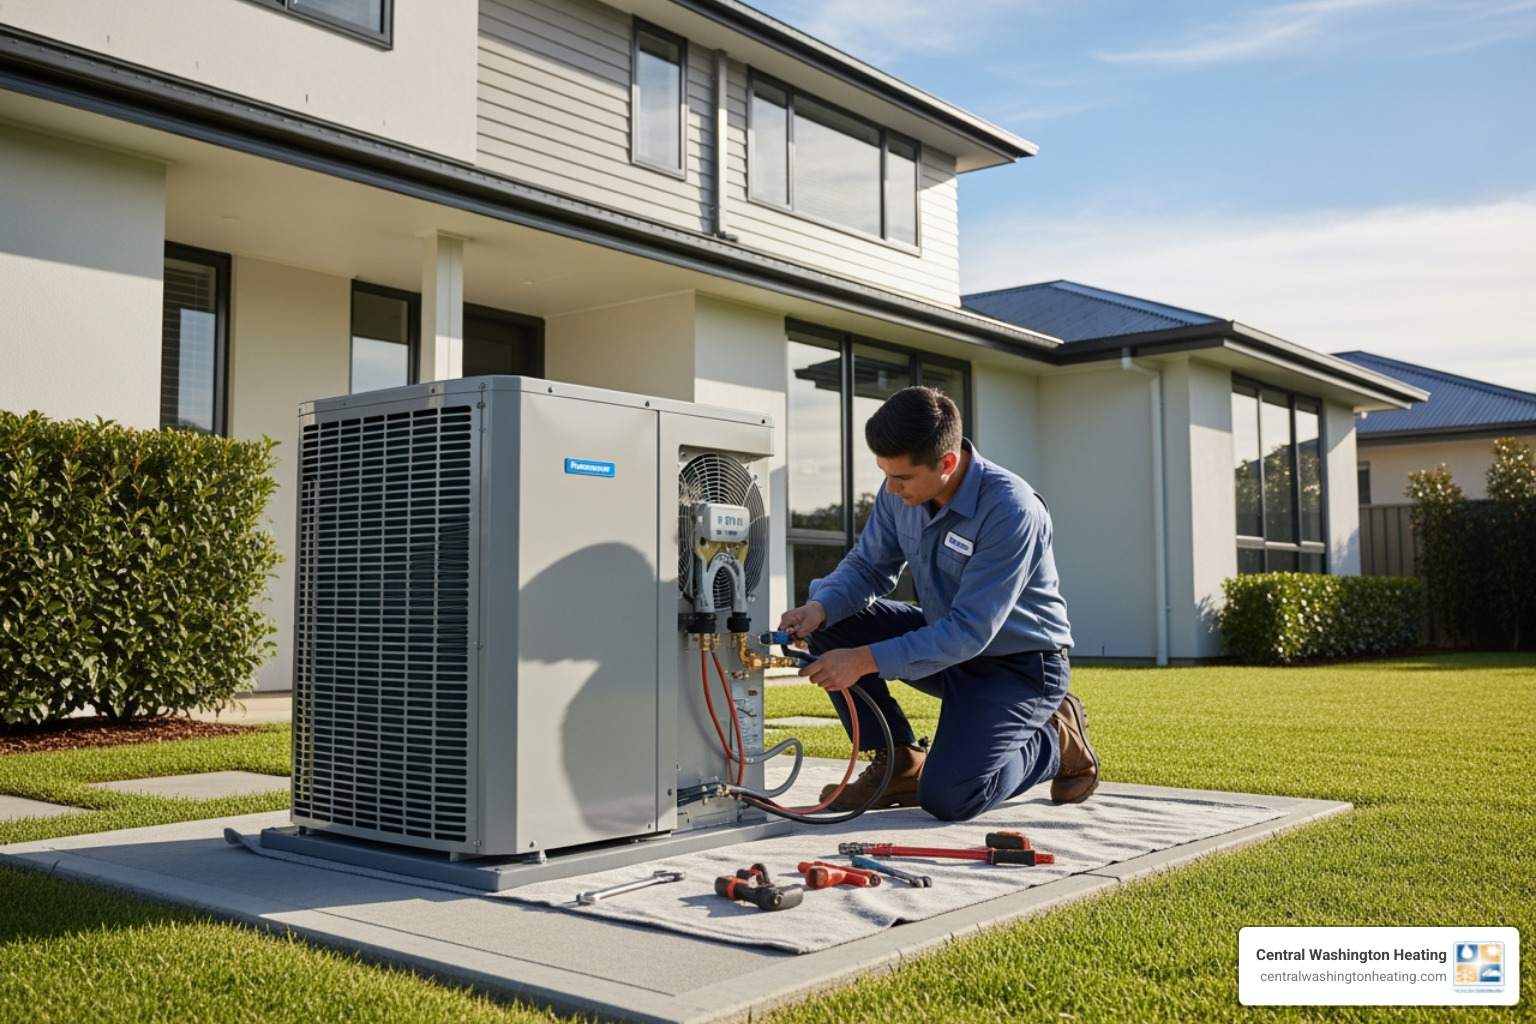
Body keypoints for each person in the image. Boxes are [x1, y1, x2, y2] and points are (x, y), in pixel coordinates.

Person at [777, 386, 1098, 821]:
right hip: (950, 651)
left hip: (1018, 668)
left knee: (949, 797)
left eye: (902, 478)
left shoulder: (1011, 509)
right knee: (831, 621)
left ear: (946, 462)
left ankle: (1055, 742)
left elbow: (969, 631)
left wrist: (865, 660)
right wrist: (819, 609)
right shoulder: (901, 492)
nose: (891, 488)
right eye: (885, 474)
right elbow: (869, 566)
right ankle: (898, 762)